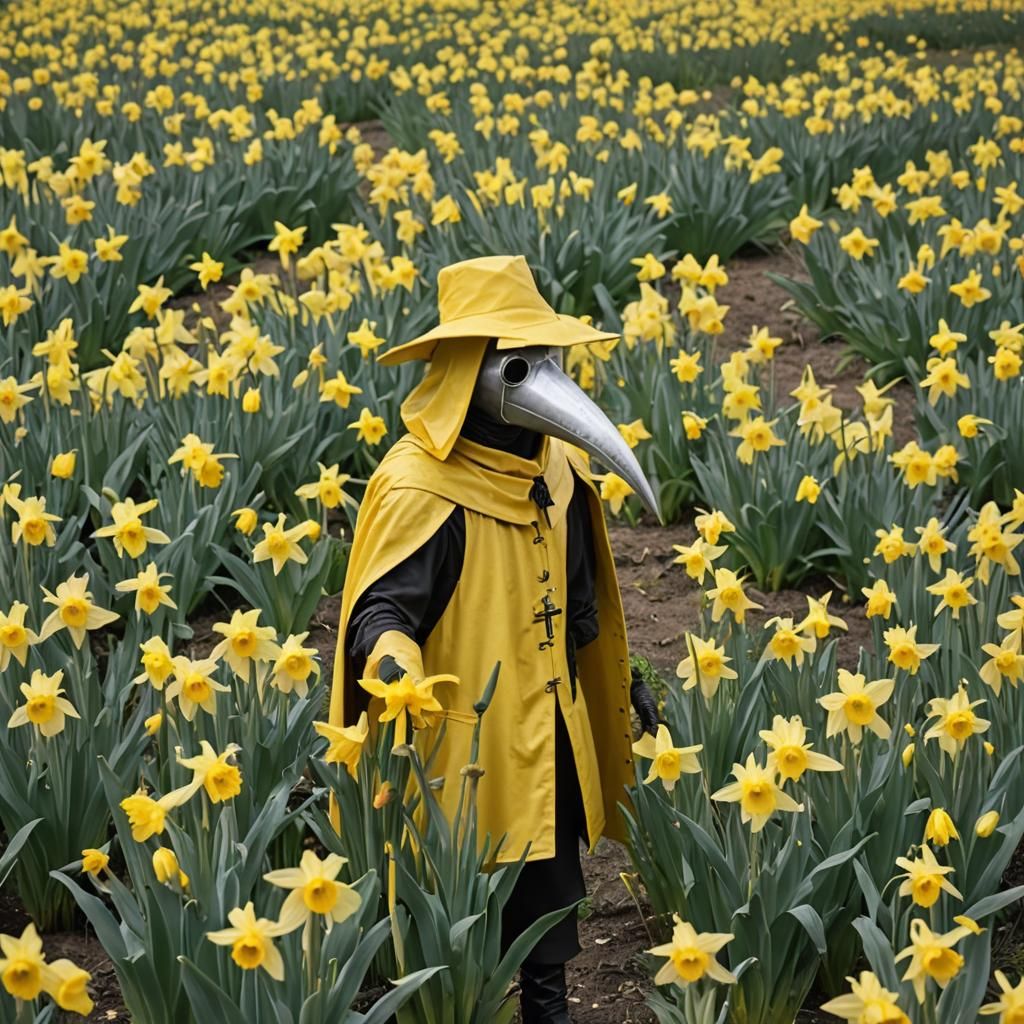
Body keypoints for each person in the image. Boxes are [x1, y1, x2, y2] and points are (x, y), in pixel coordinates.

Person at [328, 255, 660, 1022]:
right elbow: (381, 613)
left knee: (548, 914)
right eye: (520, 362)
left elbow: (584, 608)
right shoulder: (422, 489)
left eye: (549, 358)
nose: (542, 378)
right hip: (464, 756)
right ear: (467, 373)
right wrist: (394, 662)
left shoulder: (562, 470)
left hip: (548, 736)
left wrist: (630, 674)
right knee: (460, 924)